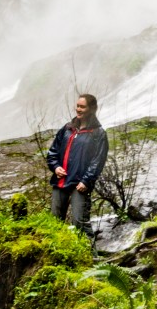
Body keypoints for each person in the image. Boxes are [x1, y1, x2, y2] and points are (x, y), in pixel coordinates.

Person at [46, 94, 109, 235]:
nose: (78, 109)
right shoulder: (67, 129)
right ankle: (59, 255)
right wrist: (55, 167)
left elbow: (98, 161)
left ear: (92, 109)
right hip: (61, 181)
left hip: (80, 185)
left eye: (82, 106)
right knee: (55, 222)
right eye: (77, 106)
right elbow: (52, 152)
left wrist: (86, 180)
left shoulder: (98, 134)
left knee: (80, 223)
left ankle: (92, 257)